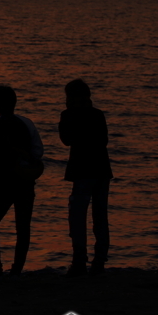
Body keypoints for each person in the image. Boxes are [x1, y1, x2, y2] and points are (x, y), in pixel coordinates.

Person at [0, 85, 44, 278]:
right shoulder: (27, 123)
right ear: (15, 102)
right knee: (23, 228)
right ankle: (17, 269)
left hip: (2, 183)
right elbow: (38, 152)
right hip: (25, 182)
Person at [59, 78, 113, 276]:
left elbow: (66, 139)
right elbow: (104, 140)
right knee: (100, 216)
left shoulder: (68, 115)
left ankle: (79, 260)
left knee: (78, 216)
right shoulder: (98, 115)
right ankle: (99, 261)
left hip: (82, 171)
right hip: (101, 169)